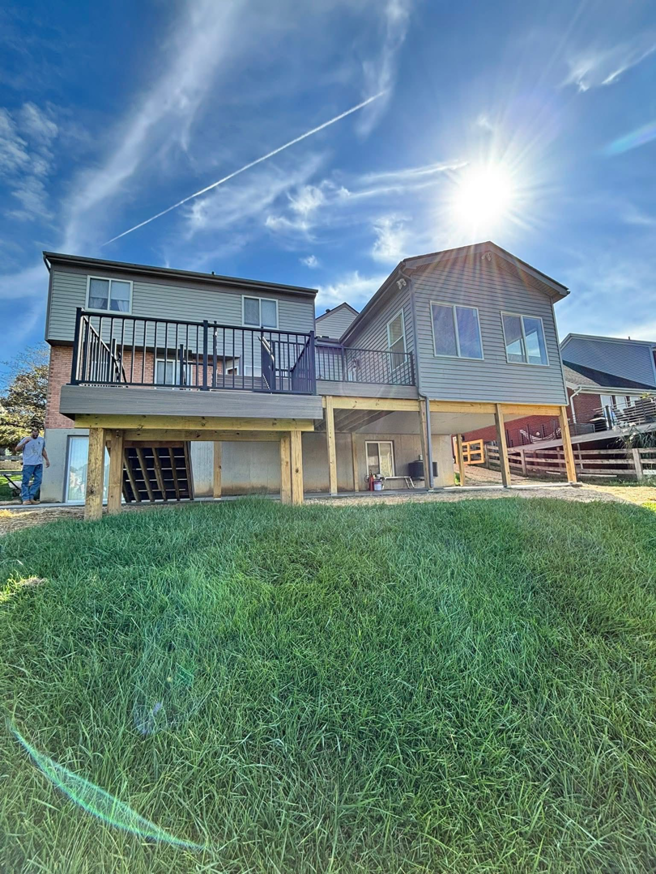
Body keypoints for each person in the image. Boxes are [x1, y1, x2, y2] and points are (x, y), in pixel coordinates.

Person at [16, 427, 50, 505]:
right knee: (25, 481)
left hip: (38, 463)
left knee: (38, 480)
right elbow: (17, 449)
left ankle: (31, 497)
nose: (35, 434)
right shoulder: (26, 439)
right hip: (28, 464)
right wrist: (24, 443)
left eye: (37, 432)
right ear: (31, 432)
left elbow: (42, 450)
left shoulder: (41, 440)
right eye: (34, 432)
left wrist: (47, 460)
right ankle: (25, 499)